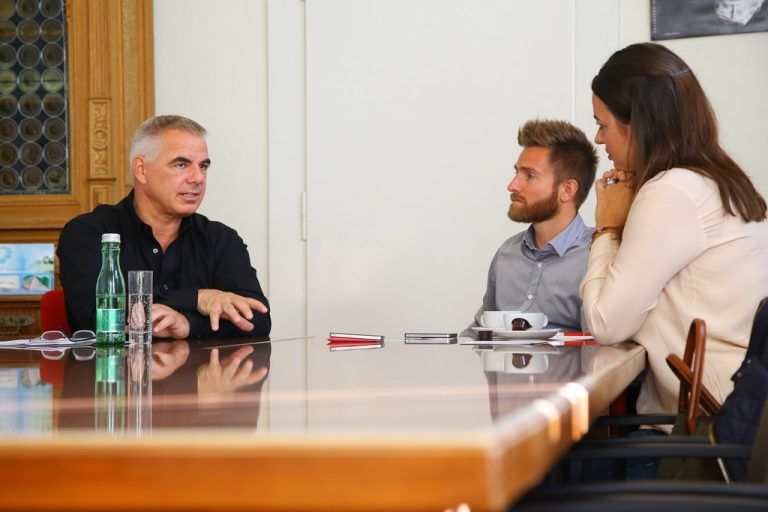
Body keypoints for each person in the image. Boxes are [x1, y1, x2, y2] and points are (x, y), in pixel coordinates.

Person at [581, 43, 768, 423]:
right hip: (738, 420)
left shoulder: (672, 191)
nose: (599, 140)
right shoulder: (721, 181)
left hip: (698, 435)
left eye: (603, 125)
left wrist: (606, 229)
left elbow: (604, 324)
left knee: (559, 474)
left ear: (636, 127)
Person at [57, 115, 271, 339]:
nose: (198, 178)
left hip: (200, 374)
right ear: (141, 170)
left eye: (203, 166)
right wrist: (197, 298)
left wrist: (187, 325)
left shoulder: (221, 239)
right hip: (115, 372)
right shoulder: (89, 234)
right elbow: (97, 320)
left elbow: (258, 318)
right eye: (181, 164)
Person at [464, 119, 598, 335]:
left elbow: (605, 349)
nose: (512, 185)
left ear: (567, 190)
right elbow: (480, 334)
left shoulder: (597, 257)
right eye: (516, 172)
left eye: (529, 175)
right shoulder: (507, 253)